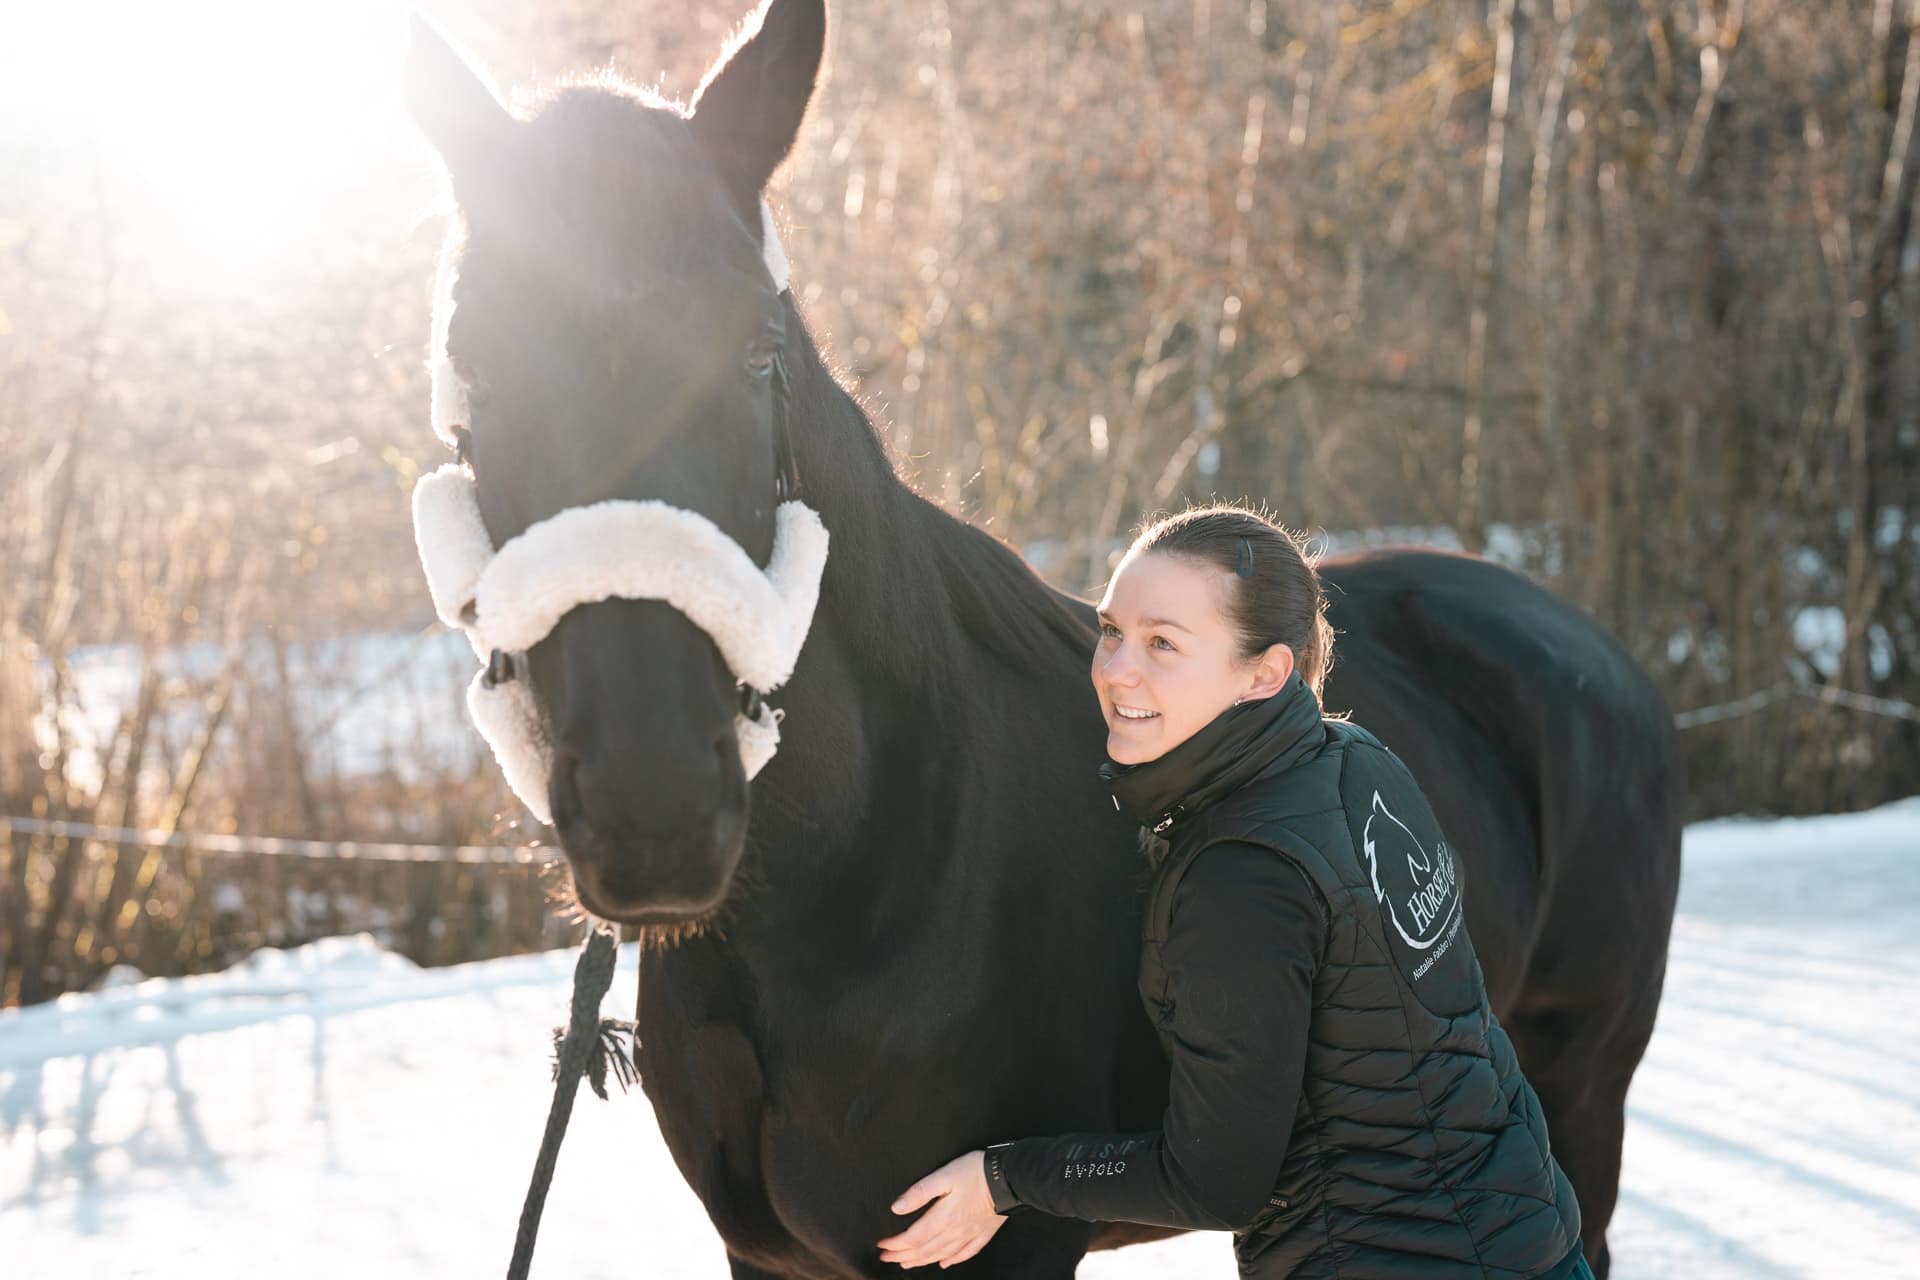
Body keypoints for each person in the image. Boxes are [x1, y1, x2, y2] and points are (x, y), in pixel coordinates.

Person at [875, 506, 1592, 1278]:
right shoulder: (1356, 761)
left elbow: (1216, 1182)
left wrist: (1006, 1178)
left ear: (1265, 673)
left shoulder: (1240, 877)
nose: (1115, 669)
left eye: (1163, 643)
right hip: (1524, 1234)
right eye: (1111, 630)